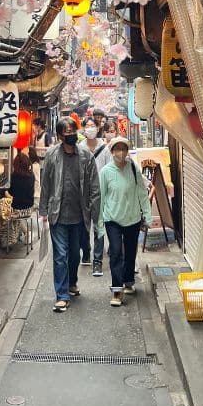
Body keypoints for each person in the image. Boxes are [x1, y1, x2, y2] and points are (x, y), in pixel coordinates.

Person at [39, 117, 100, 313]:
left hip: (79, 214)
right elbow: (46, 183)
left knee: (75, 254)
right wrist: (43, 211)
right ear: (59, 136)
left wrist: (95, 212)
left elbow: (94, 186)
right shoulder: (51, 155)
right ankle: (62, 295)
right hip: (57, 213)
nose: (71, 135)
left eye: (73, 131)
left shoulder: (85, 156)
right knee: (60, 255)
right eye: (67, 133)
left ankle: (72, 282)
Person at [97, 137, 152, 308]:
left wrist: (147, 216)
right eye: (117, 149)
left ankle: (128, 280)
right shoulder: (105, 172)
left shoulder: (133, 169)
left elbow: (142, 192)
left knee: (130, 252)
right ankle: (116, 289)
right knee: (115, 252)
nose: (120, 152)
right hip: (112, 218)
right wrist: (99, 222)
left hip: (133, 218)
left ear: (127, 151)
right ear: (112, 151)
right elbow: (100, 198)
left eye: (123, 149)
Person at [79, 117, 111, 275]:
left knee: (99, 225)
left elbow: (109, 169)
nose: (90, 128)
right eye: (88, 126)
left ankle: (97, 260)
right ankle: (86, 252)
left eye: (93, 126)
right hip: (83, 193)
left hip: (100, 192)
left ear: (98, 129)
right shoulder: (79, 148)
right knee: (84, 226)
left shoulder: (105, 149)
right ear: (83, 129)